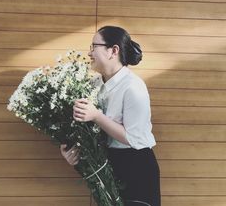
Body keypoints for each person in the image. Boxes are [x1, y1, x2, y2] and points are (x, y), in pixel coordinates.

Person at [60, 26, 161, 206]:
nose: (89, 53)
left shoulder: (133, 86)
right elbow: (90, 131)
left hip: (136, 167)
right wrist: (73, 151)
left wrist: (97, 116)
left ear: (113, 51)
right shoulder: (94, 84)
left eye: (94, 47)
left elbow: (133, 138)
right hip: (108, 164)